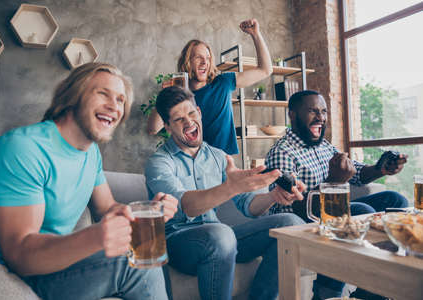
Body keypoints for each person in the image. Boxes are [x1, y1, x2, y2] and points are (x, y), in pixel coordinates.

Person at [0, 62, 178, 300]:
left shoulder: (90, 153)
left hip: (54, 263)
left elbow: (107, 208)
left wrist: (145, 214)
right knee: (136, 265)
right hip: (18, 271)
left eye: (121, 100)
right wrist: (95, 236)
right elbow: (19, 255)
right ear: (73, 96)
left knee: (150, 249)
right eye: (103, 94)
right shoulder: (23, 149)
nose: (114, 106)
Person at [145, 86, 306, 300]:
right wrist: (233, 186)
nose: (188, 122)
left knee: (290, 223)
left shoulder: (219, 157)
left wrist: (272, 196)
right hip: (178, 243)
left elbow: (249, 207)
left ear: (200, 113)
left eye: (191, 114)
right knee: (221, 234)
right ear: (167, 126)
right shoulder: (159, 163)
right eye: (178, 119)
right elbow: (187, 206)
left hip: (221, 239)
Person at [264, 90, 408, 300]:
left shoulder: (323, 145)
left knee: (396, 201)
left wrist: (380, 169)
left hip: (333, 213)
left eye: (323, 111)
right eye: (313, 111)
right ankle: (325, 294)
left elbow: (357, 172)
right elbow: (290, 209)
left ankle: (372, 292)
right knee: (359, 212)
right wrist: (333, 183)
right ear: (293, 115)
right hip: (303, 223)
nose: (321, 117)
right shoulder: (282, 152)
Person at [147, 18, 273, 155]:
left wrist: (256, 34)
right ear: (187, 62)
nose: (204, 63)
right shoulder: (180, 95)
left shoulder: (222, 83)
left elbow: (265, 70)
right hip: (194, 163)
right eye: (198, 58)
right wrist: (164, 95)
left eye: (207, 58)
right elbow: (153, 129)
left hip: (224, 162)